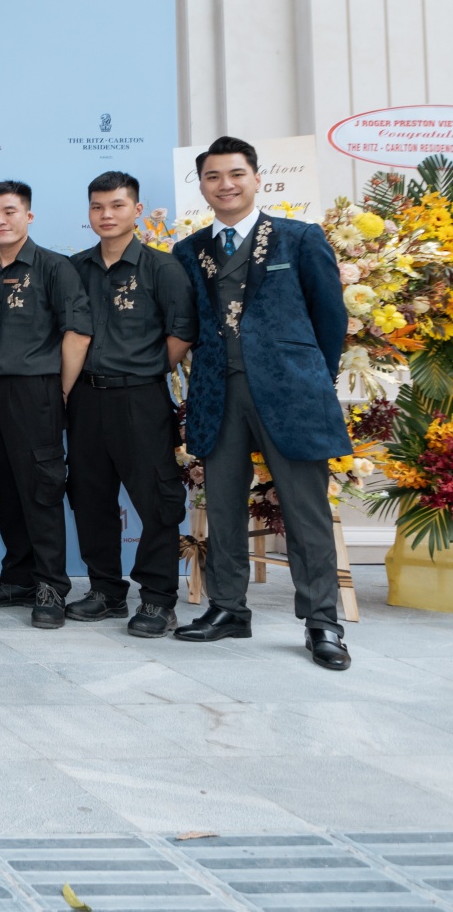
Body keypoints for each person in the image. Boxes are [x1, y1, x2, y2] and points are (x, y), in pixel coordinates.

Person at [174, 136, 353, 669]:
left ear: (256, 178)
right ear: (201, 185)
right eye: (213, 176)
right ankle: (228, 608)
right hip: (218, 393)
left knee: (306, 512)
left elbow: (331, 318)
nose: (225, 185)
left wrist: (313, 379)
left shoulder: (299, 238)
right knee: (222, 507)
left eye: (235, 174)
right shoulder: (189, 251)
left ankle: (323, 621)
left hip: (292, 396)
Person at [68, 171, 197, 637]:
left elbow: (182, 332)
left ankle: (159, 599)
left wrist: (144, 368)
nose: (107, 214)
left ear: (137, 211)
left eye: (117, 205)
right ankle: (105, 591)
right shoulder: (74, 268)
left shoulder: (162, 268)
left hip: (140, 399)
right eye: (98, 206)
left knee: (157, 500)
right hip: (84, 398)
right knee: (90, 498)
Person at [0, 181, 94, 628]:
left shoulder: (53, 267)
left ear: (28, 216)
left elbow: (77, 333)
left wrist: (59, 390)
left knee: (41, 490)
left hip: (37, 390)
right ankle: (19, 577)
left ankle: (51, 586)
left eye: (9, 211)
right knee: (4, 487)